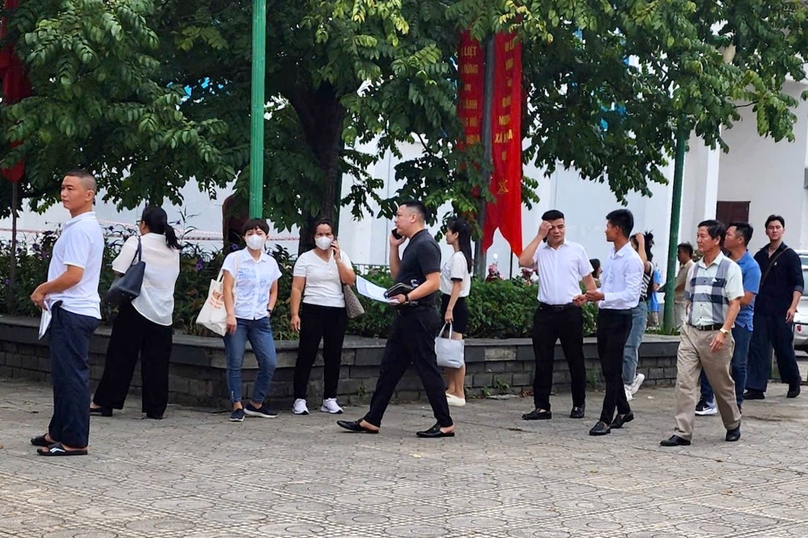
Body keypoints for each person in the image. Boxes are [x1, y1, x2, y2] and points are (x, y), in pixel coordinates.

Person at [337, 201, 454, 438]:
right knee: (389, 368)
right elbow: (398, 276)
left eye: (399, 215)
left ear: (413, 218)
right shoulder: (412, 244)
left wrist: (407, 297)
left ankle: (445, 423)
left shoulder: (426, 244)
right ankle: (372, 419)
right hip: (406, 314)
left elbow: (433, 282)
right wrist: (393, 248)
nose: (395, 220)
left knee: (427, 368)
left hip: (419, 314)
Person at [29, 169, 104, 456]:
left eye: (71, 188)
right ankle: (56, 432)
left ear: (89, 194)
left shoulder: (82, 229)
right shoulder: (79, 226)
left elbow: (73, 275)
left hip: (73, 310)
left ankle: (74, 440)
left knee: (71, 377)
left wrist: (42, 289)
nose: (64, 193)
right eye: (63, 187)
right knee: (63, 376)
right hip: (72, 309)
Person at [90, 206, 181, 419]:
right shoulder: (174, 247)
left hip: (136, 308)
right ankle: (155, 408)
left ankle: (105, 403)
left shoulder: (136, 242)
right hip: (164, 311)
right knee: (157, 362)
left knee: (120, 357)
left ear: (143, 224)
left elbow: (119, 269)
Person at [661, 220, 744, 447]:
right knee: (684, 382)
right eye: (697, 235)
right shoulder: (694, 269)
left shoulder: (730, 268)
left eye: (703, 236)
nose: (698, 240)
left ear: (716, 240)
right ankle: (682, 432)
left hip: (716, 334)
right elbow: (689, 300)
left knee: (721, 384)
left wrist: (724, 332)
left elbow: (735, 303)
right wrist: (686, 326)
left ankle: (733, 423)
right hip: (691, 332)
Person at [518, 210, 596, 421]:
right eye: (552, 227)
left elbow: (590, 283)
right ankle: (542, 406)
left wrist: (587, 298)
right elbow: (523, 261)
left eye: (560, 226)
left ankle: (579, 403)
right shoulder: (540, 251)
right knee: (543, 360)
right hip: (546, 312)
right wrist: (538, 236)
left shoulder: (576, 250)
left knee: (575, 359)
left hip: (570, 311)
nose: (557, 231)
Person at [584, 209, 643, 436]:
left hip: (621, 317)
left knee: (612, 367)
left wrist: (603, 296)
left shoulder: (632, 260)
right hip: (606, 314)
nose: (605, 230)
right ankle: (624, 410)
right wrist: (591, 295)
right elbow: (607, 287)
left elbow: (631, 296)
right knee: (608, 367)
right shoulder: (611, 255)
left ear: (617, 229)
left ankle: (605, 418)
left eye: (608, 226)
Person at [290, 219, 356, 415]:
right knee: (307, 353)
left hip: (336, 309)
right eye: (320, 234)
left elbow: (350, 280)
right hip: (313, 307)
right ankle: (299, 399)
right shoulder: (305, 259)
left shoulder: (342, 256)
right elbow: (297, 287)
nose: (325, 238)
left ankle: (330, 398)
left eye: (328, 234)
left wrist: (338, 259)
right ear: (314, 237)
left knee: (333, 354)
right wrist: (295, 313)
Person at [695, 222, 760, 416]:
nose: (725, 237)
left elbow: (745, 299)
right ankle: (706, 400)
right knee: (709, 360)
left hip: (739, 322)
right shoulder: (721, 262)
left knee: (738, 364)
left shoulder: (751, 267)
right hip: (715, 320)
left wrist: (724, 298)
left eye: (729, 234)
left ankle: (736, 404)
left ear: (740, 240)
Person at [222, 219, 282, 422]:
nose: (255, 236)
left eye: (259, 232)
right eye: (250, 232)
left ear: (267, 236)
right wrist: (230, 314)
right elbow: (227, 288)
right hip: (238, 317)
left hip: (260, 319)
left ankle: (256, 403)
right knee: (235, 362)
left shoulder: (270, 262)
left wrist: (269, 309)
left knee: (269, 362)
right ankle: (236, 404)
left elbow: (274, 289)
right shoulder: (235, 259)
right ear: (244, 236)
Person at [745, 215, 804, 400]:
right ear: (766, 231)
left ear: (783, 230)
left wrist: (793, 307)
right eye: (771, 227)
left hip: (781, 310)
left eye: (778, 227)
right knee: (758, 347)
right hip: (761, 309)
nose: (774, 230)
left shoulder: (790, 256)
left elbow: (798, 284)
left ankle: (794, 381)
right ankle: (756, 387)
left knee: (783, 348)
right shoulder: (760, 255)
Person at [441, 216, 472, 407]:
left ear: (456, 234)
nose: (446, 234)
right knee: (449, 349)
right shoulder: (457, 256)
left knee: (455, 349)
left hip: (455, 305)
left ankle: (459, 390)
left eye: (448, 231)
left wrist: (449, 309)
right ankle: (451, 388)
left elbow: (457, 285)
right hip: (449, 302)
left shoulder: (459, 258)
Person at [622, 231, 654, 400]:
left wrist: (641, 242)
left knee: (630, 347)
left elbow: (641, 264)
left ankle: (628, 384)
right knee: (621, 348)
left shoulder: (647, 264)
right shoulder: (625, 262)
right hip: (623, 307)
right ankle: (631, 379)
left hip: (638, 307)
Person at [674, 243, 695, 328]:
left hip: (683, 300)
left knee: (681, 324)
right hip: (677, 299)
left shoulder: (691, 266)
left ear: (686, 253)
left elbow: (688, 282)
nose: (678, 255)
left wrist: (675, 288)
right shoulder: (683, 266)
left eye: (680, 252)